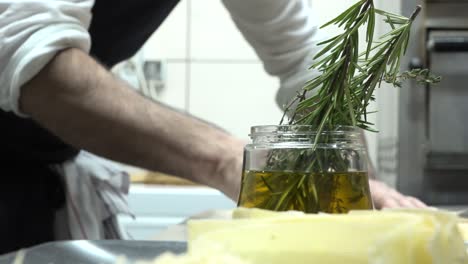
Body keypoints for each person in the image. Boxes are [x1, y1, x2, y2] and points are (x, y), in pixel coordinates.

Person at [0, 0, 426, 254]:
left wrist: (352, 176)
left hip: (38, 182)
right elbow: (31, 58)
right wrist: (236, 163)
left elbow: (302, 58)